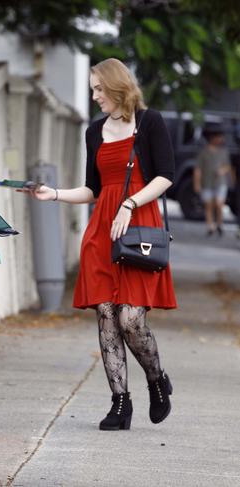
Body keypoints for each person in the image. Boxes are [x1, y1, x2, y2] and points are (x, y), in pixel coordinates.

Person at [24, 58, 176, 431]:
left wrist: (130, 203)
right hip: (102, 234)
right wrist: (55, 193)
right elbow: (93, 189)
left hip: (138, 227)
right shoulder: (94, 132)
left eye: (98, 89)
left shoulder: (149, 122)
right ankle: (119, 403)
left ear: (116, 87)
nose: (94, 97)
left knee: (131, 319)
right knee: (107, 315)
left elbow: (166, 176)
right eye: (92, 90)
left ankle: (156, 379)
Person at [193, 128, 232, 236]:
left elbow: (228, 166)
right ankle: (210, 226)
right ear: (212, 138)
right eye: (218, 137)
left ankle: (219, 224)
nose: (220, 139)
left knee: (219, 204)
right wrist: (197, 183)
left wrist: (222, 171)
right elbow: (198, 169)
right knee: (208, 205)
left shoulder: (223, 151)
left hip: (220, 182)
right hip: (207, 182)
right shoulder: (204, 152)